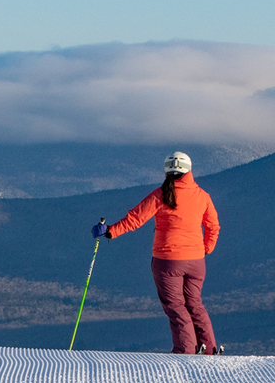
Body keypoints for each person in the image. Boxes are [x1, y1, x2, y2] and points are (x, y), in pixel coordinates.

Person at [95, 151, 223, 354]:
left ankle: (186, 351)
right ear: (188, 170)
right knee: (194, 304)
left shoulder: (160, 195)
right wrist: (206, 248)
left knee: (176, 307)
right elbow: (213, 226)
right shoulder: (202, 196)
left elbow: (135, 219)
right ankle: (210, 349)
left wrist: (110, 231)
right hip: (197, 261)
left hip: (168, 261)